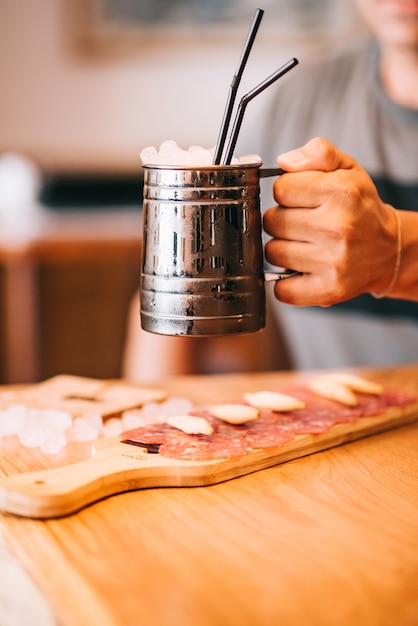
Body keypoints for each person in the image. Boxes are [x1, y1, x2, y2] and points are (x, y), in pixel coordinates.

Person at [122, 0, 418, 381]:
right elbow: (193, 283)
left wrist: (398, 253)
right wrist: (150, 421)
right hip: (341, 429)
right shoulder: (299, 102)